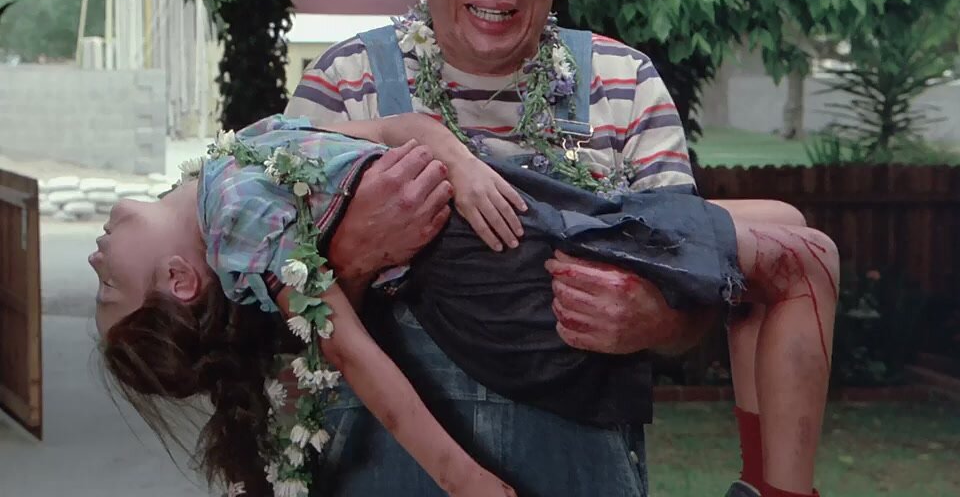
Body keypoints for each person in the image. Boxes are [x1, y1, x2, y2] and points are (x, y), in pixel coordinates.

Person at [284, 0, 836, 497]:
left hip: (584, 462)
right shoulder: (343, 84)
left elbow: (698, 275)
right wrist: (357, 259)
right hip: (382, 466)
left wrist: (657, 319)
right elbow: (271, 316)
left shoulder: (625, 81)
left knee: (789, 236)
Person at [95, 109, 836, 497]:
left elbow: (396, 128)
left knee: (787, 227)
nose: (96, 257)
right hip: (495, 261)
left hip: (504, 202)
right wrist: (462, 478)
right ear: (181, 280)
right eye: (109, 288)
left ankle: (760, 482)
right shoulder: (238, 228)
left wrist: (460, 164)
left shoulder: (238, 159)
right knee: (810, 260)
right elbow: (350, 354)